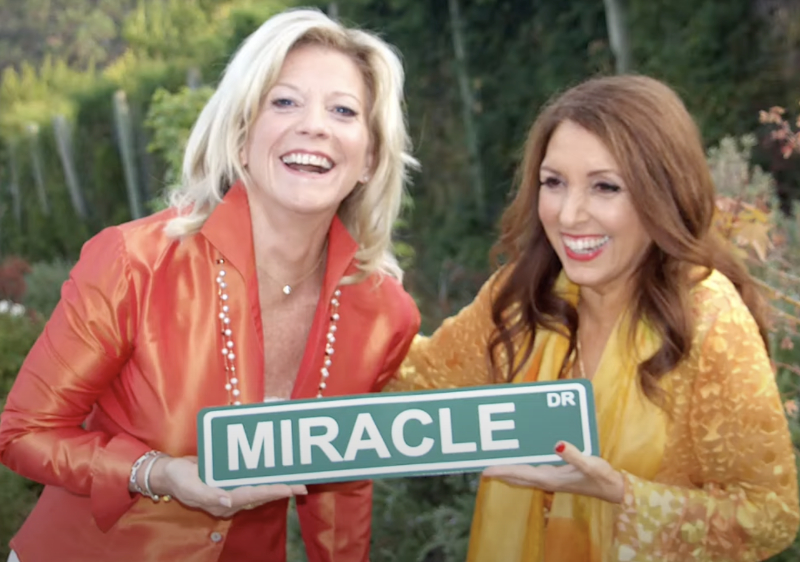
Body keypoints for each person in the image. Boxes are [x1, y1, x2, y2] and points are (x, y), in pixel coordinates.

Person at [0, 8, 420, 562]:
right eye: (285, 101)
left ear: (369, 157)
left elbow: (340, 485)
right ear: (242, 137)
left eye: (343, 110)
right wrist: (160, 473)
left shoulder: (386, 315)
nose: (314, 125)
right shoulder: (135, 263)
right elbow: (24, 432)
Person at [388, 75, 799, 561]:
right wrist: (351, 297)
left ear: (661, 193)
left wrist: (622, 495)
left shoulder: (709, 318)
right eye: (553, 183)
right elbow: (417, 383)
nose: (569, 215)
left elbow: (770, 514)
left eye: (605, 187)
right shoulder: (525, 295)